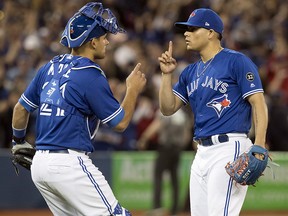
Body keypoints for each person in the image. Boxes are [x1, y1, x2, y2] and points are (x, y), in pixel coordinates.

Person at [11, 2, 146, 216]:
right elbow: (120, 123)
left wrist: (18, 142)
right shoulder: (90, 74)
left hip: (40, 166)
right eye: (103, 38)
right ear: (92, 42)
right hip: (68, 163)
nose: (107, 42)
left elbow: (20, 109)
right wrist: (132, 90)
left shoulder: (49, 67)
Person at [158, 8, 268, 216]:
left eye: (192, 29)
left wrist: (260, 143)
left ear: (211, 32)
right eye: (185, 30)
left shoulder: (236, 61)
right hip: (201, 152)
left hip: (229, 147)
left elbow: (258, 102)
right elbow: (167, 108)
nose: (186, 34)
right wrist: (166, 76)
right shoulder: (189, 72)